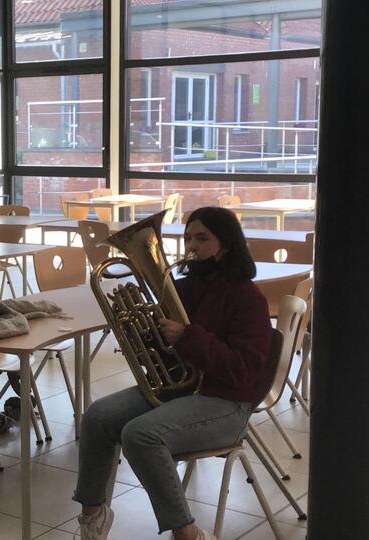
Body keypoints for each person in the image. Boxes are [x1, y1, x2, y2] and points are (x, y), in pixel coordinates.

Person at [73, 206, 272, 540]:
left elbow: (243, 370)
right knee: (97, 416)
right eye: (188, 238)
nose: (191, 246)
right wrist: (143, 330)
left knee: (141, 435)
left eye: (202, 239)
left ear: (226, 244)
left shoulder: (248, 298)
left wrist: (188, 337)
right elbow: (167, 351)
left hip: (226, 402)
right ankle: (93, 518)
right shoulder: (184, 287)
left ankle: (187, 533)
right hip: (181, 390)